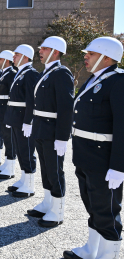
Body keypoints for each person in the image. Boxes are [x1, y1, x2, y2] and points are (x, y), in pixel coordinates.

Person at [63, 37, 124, 259]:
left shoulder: (118, 81)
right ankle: (92, 250)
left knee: (107, 212)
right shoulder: (93, 80)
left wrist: (119, 166)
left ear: (107, 57)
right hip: (85, 156)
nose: (85, 57)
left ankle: (108, 256)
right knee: (93, 207)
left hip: (103, 160)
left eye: (91, 54)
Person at [27, 36, 74, 228]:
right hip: (41, 128)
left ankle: (58, 210)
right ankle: (48, 202)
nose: (40, 51)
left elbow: (66, 108)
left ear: (55, 51)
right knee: (46, 169)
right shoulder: (47, 73)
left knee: (55, 171)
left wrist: (62, 138)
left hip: (53, 130)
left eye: (44, 49)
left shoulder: (62, 73)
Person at [3, 44, 39, 197]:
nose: (14, 57)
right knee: (20, 149)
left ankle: (29, 184)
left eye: (16, 54)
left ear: (25, 57)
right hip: (16, 118)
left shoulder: (30, 74)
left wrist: (28, 121)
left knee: (27, 151)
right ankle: (24, 179)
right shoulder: (21, 73)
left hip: (23, 119)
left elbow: (31, 101)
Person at [0, 50, 18, 179]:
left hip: (7, 112)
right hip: (2, 111)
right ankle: (7, 163)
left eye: (1, 60)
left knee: (10, 139)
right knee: (6, 137)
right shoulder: (5, 74)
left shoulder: (12, 74)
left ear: (7, 61)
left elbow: (11, 95)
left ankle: (11, 167)